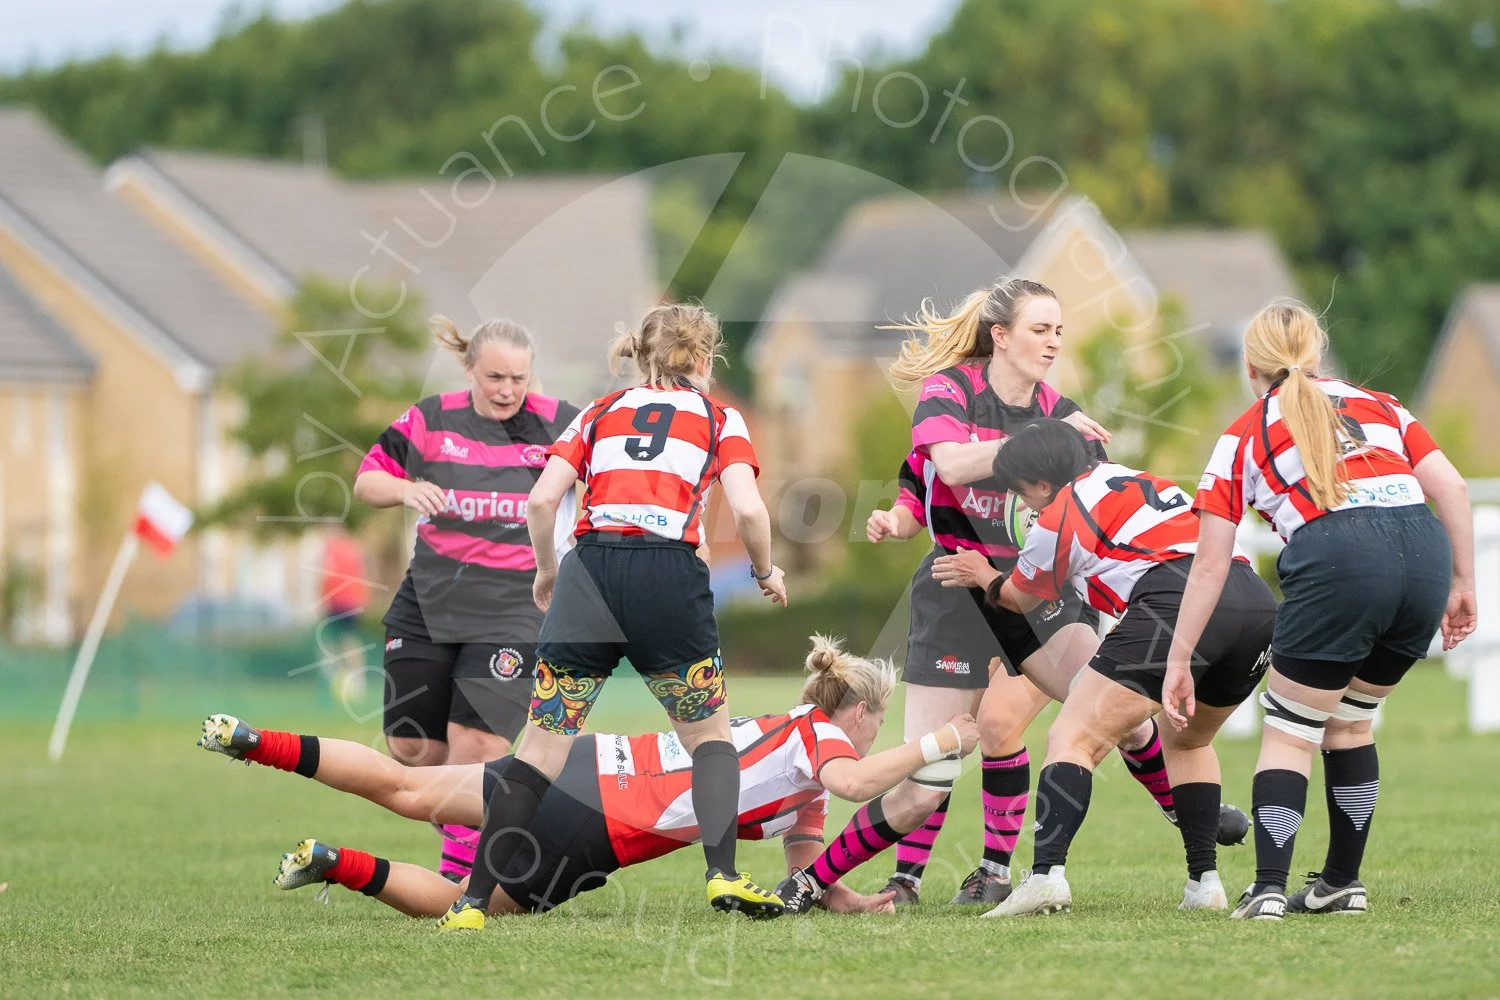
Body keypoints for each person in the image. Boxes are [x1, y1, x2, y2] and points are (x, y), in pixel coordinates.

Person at [195, 636, 979, 918]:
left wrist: (859, 900)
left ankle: (254, 741)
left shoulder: (790, 750)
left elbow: (812, 869)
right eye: (886, 721)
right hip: (598, 825)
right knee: (483, 906)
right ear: (859, 713)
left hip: (577, 761)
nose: (888, 734)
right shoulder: (817, 740)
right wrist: (943, 737)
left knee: (410, 791)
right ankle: (337, 864)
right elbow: (859, 784)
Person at [441, 303, 790, 930]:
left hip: (589, 576)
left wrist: (550, 571)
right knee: (709, 739)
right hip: (668, 578)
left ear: (641, 355)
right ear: (705, 360)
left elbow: (543, 501)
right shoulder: (720, 417)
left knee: (540, 748)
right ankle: (722, 875)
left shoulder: (599, 412)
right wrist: (765, 573)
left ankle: (470, 904)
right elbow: (751, 513)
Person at [1162, 301, 1477, 920]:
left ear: (1251, 367)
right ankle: (1340, 884)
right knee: (1351, 723)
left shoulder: (1242, 433)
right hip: (1424, 553)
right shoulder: (1384, 407)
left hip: (1341, 557)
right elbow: (1454, 488)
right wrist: (1463, 582)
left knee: (1290, 730)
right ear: (1319, 350)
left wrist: (1178, 657)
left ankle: (1270, 891)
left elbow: (1209, 565)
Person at [873, 278, 1178, 907]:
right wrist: (900, 518)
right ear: (1000, 337)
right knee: (934, 756)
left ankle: (1190, 813)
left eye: (1059, 330)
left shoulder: (1061, 409)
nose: (1053, 342)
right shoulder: (949, 390)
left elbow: (1092, 493)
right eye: (1041, 329)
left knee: (1061, 717)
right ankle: (904, 880)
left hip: (1039, 591)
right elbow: (941, 470)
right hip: (955, 586)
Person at [937, 419, 1276, 917]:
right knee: (1189, 741)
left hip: (1174, 601)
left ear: (1043, 483)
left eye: (1023, 493)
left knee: (1073, 735)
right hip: (1254, 604)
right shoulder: (1142, 480)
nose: (1026, 505)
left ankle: (1046, 876)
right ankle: (1204, 885)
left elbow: (1020, 596)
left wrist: (982, 574)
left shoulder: (1062, 509)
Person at [352, 316, 579, 882]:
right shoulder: (431, 418)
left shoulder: (560, 424)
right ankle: (474, 825)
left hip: (514, 608)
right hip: (428, 602)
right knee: (411, 751)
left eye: (519, 379)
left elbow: (611, 474)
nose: (507, 390)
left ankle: (460, 880)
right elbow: (366, 480)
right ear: (469, 369)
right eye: (495, 376)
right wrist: (405, 487)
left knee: (475, 745)